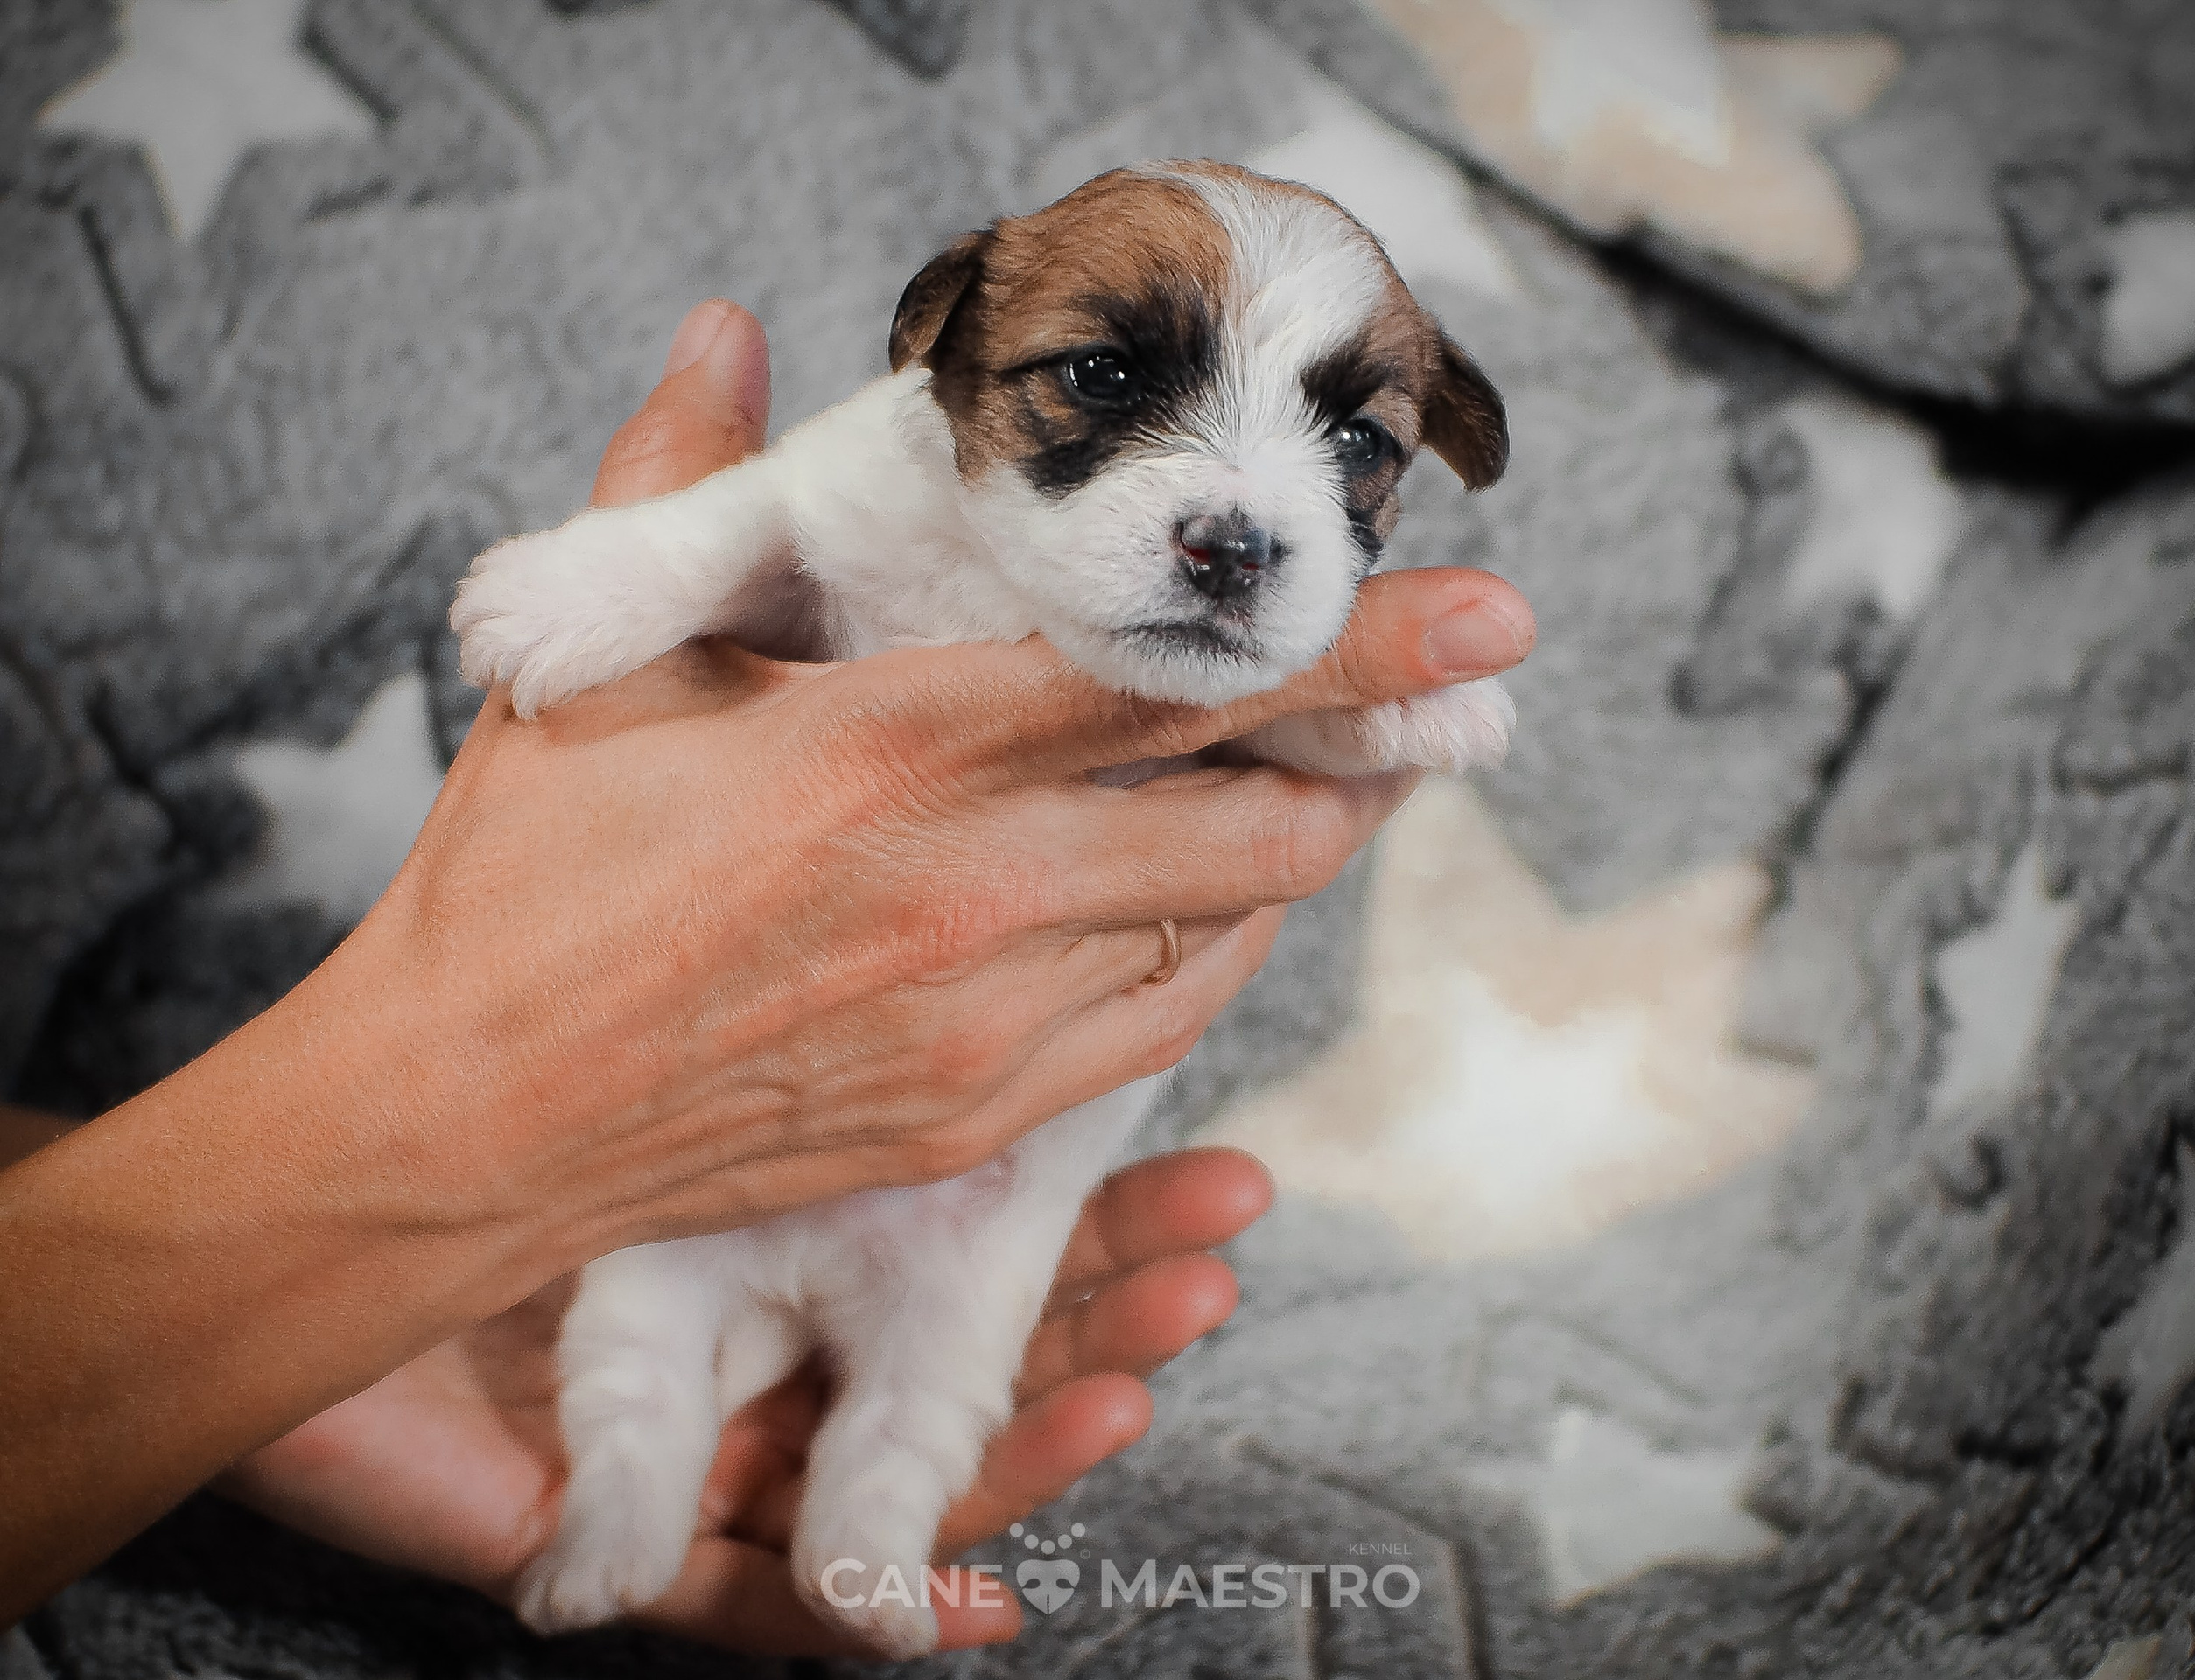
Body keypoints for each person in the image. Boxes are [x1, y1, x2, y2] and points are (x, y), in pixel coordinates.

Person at [0, 301, 1535, 1653]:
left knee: (947, 1352)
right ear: (938, 351)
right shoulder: (872, 475)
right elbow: (768, 523)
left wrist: (1352, 710)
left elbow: (1288, 715)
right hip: (650, 1143)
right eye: (1105, 377)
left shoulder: (1248, 579)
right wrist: (637, 577)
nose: (1239, 515)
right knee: (652, 1308)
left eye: (1356, 440)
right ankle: (622, 1476)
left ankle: (870, 1524)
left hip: (990, 1167)